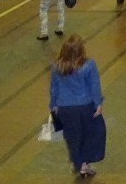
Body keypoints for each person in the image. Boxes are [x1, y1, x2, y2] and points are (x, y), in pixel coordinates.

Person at [49, 34, 106, 178]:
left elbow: (53, 89)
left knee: (73, 138)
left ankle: (79, 165)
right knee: (91, 135)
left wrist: (53, 106)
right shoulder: (88, 65)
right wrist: (98, 103)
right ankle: (85, 164)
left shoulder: (57, 66)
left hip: (65, 109)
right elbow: (94, 86)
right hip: (86, 107)